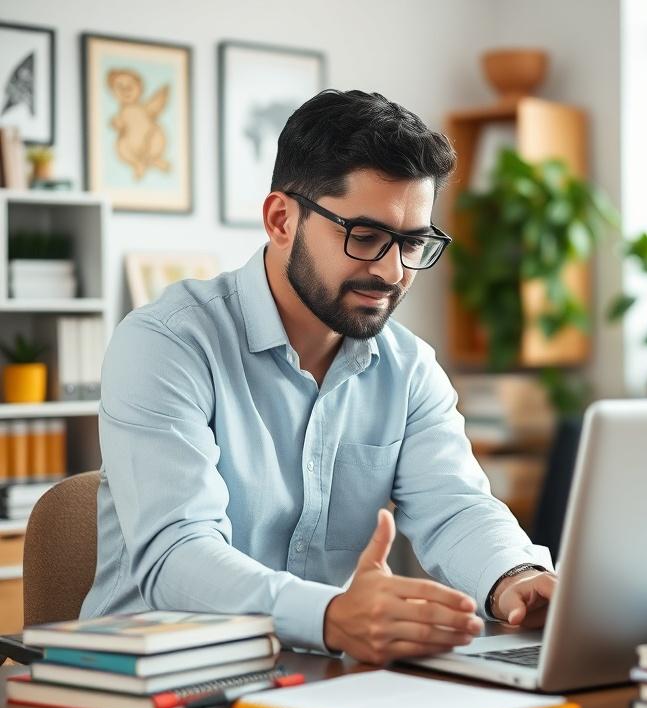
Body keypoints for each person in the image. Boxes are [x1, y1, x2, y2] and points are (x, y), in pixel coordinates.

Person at [81, 90, 557, 664]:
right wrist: (330, 617)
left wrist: (514, 575)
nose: (391, 271)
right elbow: (177, 555)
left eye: (412, 243)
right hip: (146, 683)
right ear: (282, 219)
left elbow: (455, 506)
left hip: (312, 678)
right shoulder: (166, 343)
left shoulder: (408, 366)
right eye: (365, 235)